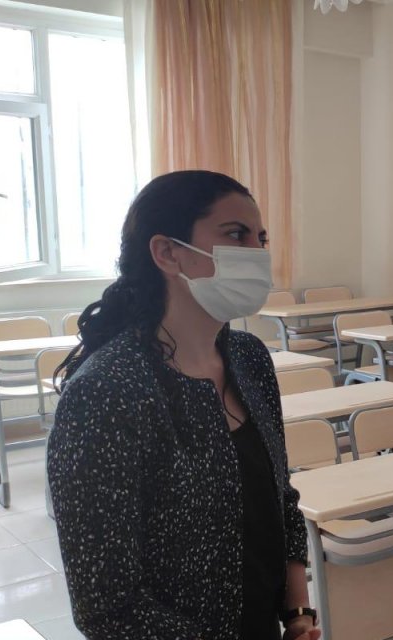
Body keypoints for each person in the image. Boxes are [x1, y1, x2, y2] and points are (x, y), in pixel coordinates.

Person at [47, 170, 321, 640]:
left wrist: (298, 612)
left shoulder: (250, 359)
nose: (257, 254)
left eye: (260, 239)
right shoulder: (106, 393)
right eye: (235, 234)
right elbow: (108, 608)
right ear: (167, 253)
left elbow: (281, 498)